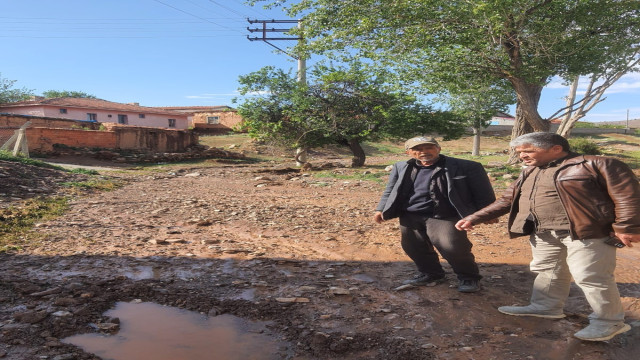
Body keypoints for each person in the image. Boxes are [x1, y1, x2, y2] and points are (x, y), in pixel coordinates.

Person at [455, 132, 640, 341]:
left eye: (528, 151)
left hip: (587, 232)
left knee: (591, 276)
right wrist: (474, 217)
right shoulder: (530, 171)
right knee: (547, 271)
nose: (522, 156)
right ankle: (546, 307)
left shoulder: (598, 164)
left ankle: (610, 322)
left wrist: (627, 227)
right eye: (519, 152)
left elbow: (628, 196)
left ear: (556, 148)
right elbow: (507, 200)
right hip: (543, 231)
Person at [374, 136, 496, 293]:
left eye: (429, 148)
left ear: (438, 148)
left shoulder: (466, 166)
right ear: (408, 152)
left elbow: (483, 192)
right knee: (413, 246)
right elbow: (391, 189)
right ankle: (431, 273)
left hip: (445, 214)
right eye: (418, 149)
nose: (424, 152)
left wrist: (487, 213)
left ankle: (469, 277)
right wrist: (381, 208)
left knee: (452, 246)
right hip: (410, 213)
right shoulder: (401, 166)